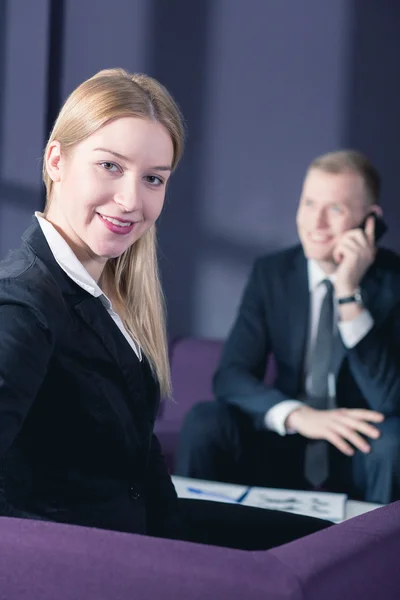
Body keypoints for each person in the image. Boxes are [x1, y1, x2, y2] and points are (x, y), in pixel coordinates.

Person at [0, 68, 330, 550]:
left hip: (141, 527)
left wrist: (181, 553)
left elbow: (139, 455)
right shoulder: (24, 304)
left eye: (153, 178)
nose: (131, 200)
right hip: (84, 560)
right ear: (56, 160)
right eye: (110, 166)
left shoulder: (107, 292)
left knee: (328, 548)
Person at [176, 150, 400, 505]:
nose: (317, 223)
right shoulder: (273, 274)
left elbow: (388, 400)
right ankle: (184, 549)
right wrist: (298, 415)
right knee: (206, 420)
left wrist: (347, 294)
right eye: (310, 204)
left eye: (336, 209)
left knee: (394, 442)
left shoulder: (393, 281)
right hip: (283, 444)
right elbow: (230, 376)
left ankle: (379, 556)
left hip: (358, 451)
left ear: (370, 222)